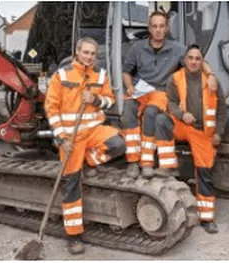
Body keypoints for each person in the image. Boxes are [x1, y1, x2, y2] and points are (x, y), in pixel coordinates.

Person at [45, 37, 126, 255]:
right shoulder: (62, 75)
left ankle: (88, 162)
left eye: (92, 53)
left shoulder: (100, 74)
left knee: (118, 144)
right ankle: (73, 236)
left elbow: (109, 100)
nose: (89, 57)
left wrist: (96, 100)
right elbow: (51, 109)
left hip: (93, 131)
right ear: (77, 52)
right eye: (85, 52)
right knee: (71, 185)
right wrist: (62, 138)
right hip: (70, 138)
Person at [159, 45, 225, 234]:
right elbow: (170, 102)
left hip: (202, 132)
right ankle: (168, 166)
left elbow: (221, 110)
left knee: (204, 172)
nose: (194, 61)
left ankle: (207, 218)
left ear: (202, 61)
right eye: (191, 58)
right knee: (161, 120)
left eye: (198, 58)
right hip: (183, 124)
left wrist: (218, 133)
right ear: (185, 60)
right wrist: (182, 114)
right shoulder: (176, 78)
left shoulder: (212, 81)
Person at [121, 11, 189, 177]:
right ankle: (132, 161)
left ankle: (147, 163)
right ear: (149, 28)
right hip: (140, 90)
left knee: (151, 112)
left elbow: (197, 61)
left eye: (161, 26)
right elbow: (126, 72)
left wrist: (211, 75)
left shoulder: (177, 49)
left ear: (166, 29)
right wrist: (129, 86)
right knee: (128, 109)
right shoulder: (137, 48)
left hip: (160, 92)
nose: (158, 30)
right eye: (154, 26)